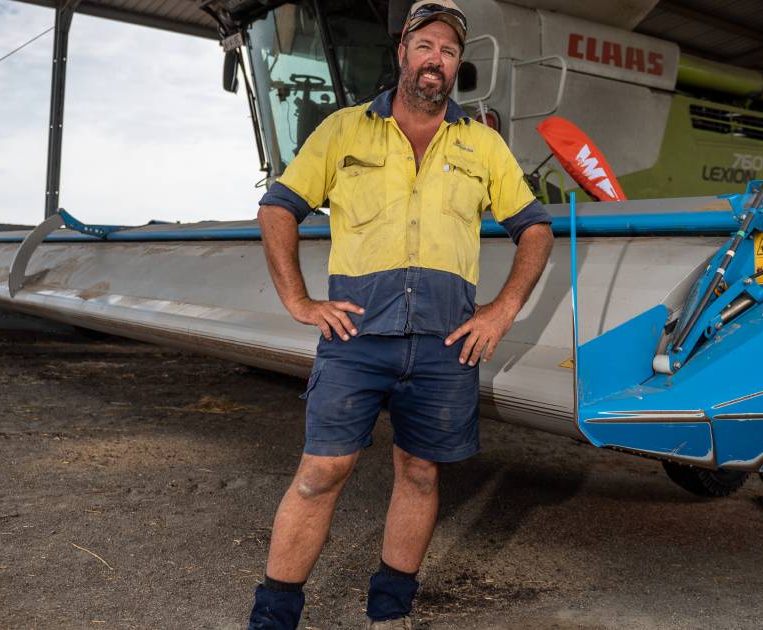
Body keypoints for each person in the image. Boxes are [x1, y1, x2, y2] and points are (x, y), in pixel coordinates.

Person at [248, 1, 554, 628]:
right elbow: (278, 207)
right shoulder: (344, 131)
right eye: (425, 46)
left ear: (457, 64)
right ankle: (274, 616)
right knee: (320, 473)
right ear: (403, 55)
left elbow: (536, 229)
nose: (435, 59)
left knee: (418, 473)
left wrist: (500, 311)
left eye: (447, 50)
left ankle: (390, 611)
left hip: (445, 344)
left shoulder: (483, 145)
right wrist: (298, 301)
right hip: (356, 336)